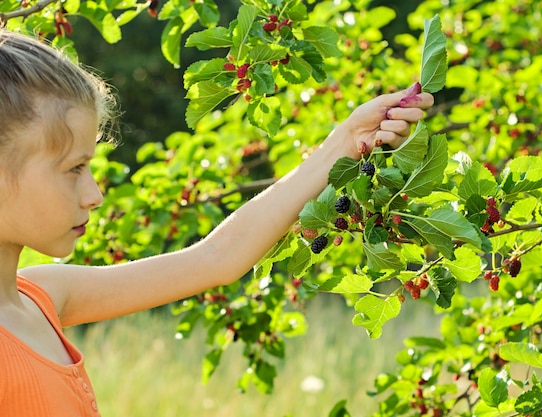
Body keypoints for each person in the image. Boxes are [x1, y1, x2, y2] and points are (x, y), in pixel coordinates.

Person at [0, 29, 434, 416]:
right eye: (74, 168)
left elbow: (216, 258)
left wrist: (343, 141)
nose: (94, 193)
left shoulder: (45, 298)